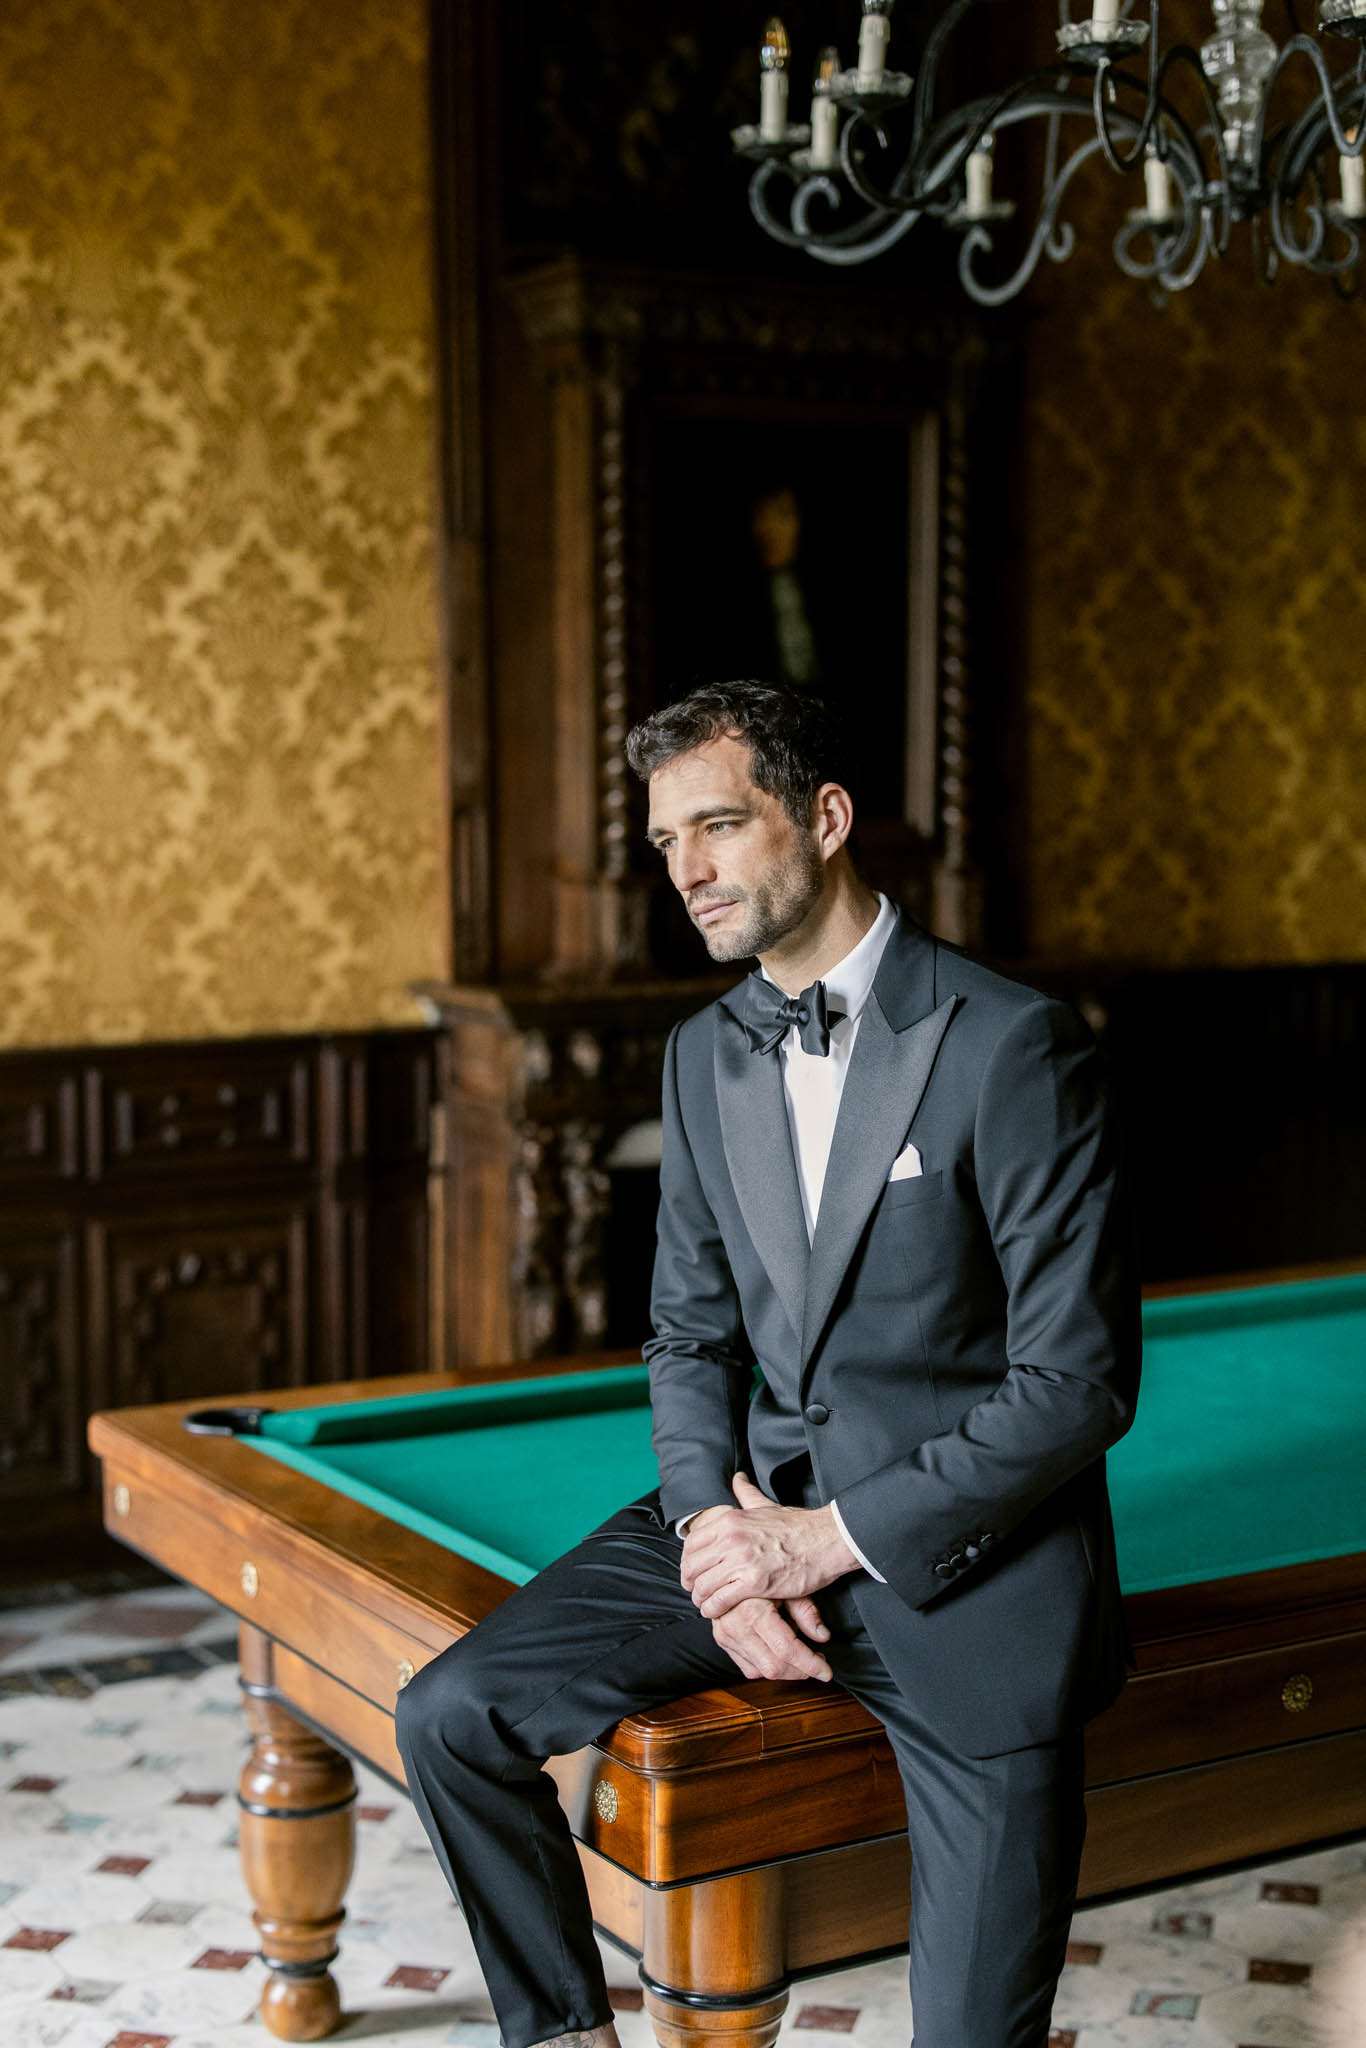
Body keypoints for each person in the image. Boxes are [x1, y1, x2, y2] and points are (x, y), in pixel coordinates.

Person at [396, 678, 1141, 2048]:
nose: (685, 870)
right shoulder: (700, 1055)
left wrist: (828, 1542)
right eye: (665, 840)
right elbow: (686, 1334)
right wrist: (710, 1535)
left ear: (827, 817)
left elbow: (1076, 1385)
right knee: (450, 1716)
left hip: (964, 1570)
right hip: (754, 1511)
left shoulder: (1010, 1045)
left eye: (719, 826)